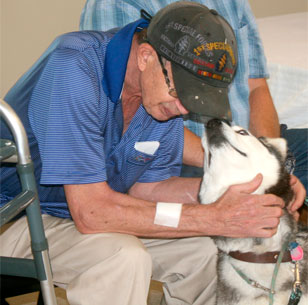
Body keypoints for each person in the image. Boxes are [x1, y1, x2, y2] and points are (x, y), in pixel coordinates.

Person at [0, 2, 305, 305]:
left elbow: (149, 189)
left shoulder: (153, 97)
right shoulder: (74, 66)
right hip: (17, 217)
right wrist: (213, 217)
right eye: (180, 93)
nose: (184, 110)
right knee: (122, 256)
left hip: (84, 212)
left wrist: (250, 193)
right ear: (146, 56)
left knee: (202, 251)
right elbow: (92, 213)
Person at [80, 0, 308, 191]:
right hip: (181, 158)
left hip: (245, 146)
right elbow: (131, 107)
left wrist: (269, 159)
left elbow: (257, 87)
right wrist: (229, 164)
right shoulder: (116, 4)